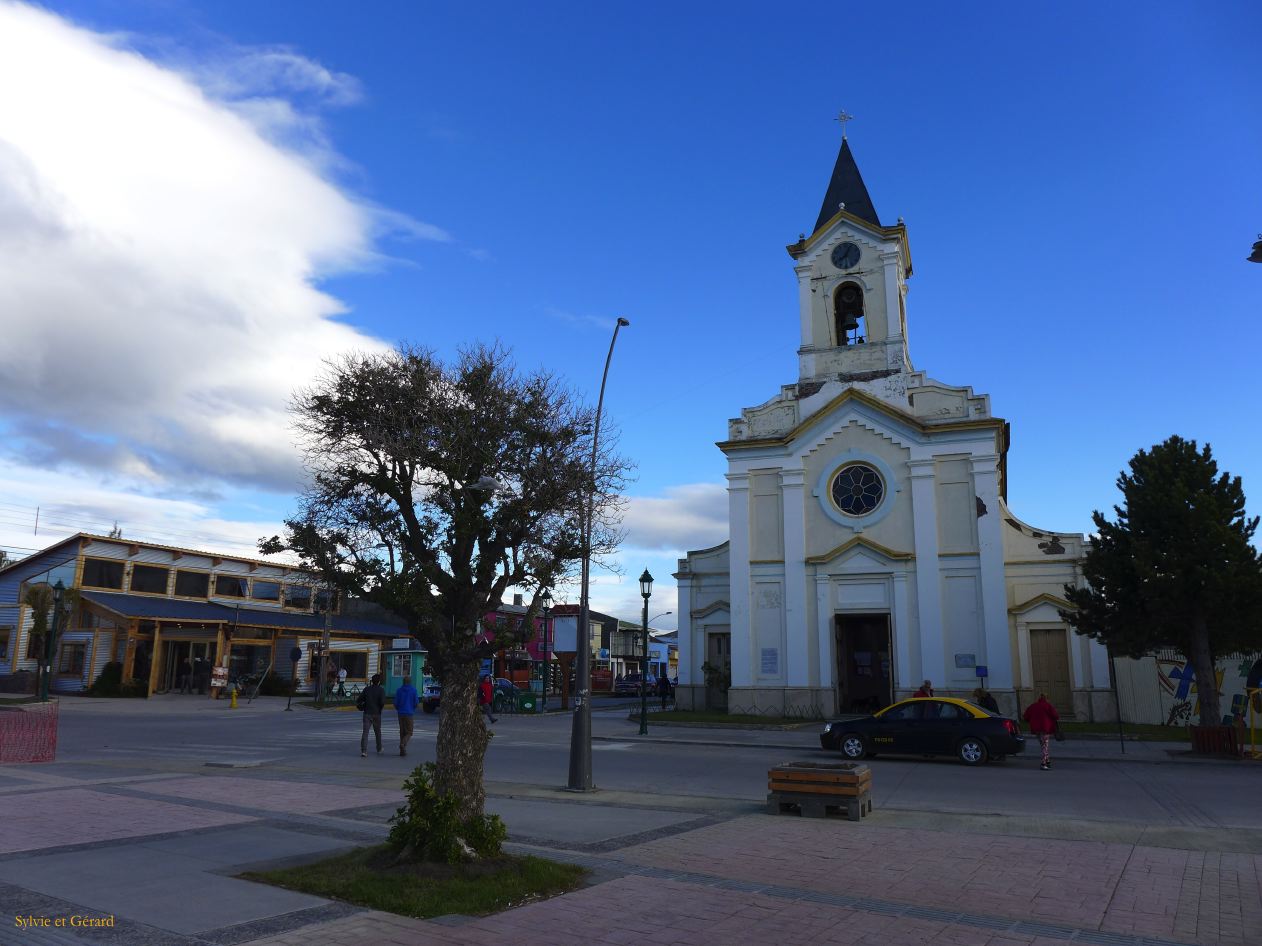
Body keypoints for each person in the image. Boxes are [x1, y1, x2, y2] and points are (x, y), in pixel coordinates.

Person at [1023, 692, 1060, 770]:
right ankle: (1043, 763)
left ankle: (1048, 761)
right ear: (1046, 698)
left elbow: (1026, 716)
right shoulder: (1048, 706)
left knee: (1043, 745)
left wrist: (1032, 720)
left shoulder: (1033, 706)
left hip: (1037, 729)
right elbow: (1056, 716)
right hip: (1046, 728)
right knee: (1045, 746)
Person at [359, 673, 386, 757]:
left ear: (372, 681)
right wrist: (380, 709)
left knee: (365, 732)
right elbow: (382, 702)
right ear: (379, 682)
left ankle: (364, 751)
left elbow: (359, 699)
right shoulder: (381, 690)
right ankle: (379, 748)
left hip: (367, 713)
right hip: (377, 713)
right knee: (377, 732)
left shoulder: (367, 689)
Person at [394, 677, 419, 757]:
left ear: (403, 682)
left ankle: (402, 751)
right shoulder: (413, 690)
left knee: (402, 731)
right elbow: (416, 703)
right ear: (410, 682)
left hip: (400, 713)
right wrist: (412, 708)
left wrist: (399, 709)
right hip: (409, 713)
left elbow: (395, 703)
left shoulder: (399, 690)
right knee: (409, 732)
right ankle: (403, 744)